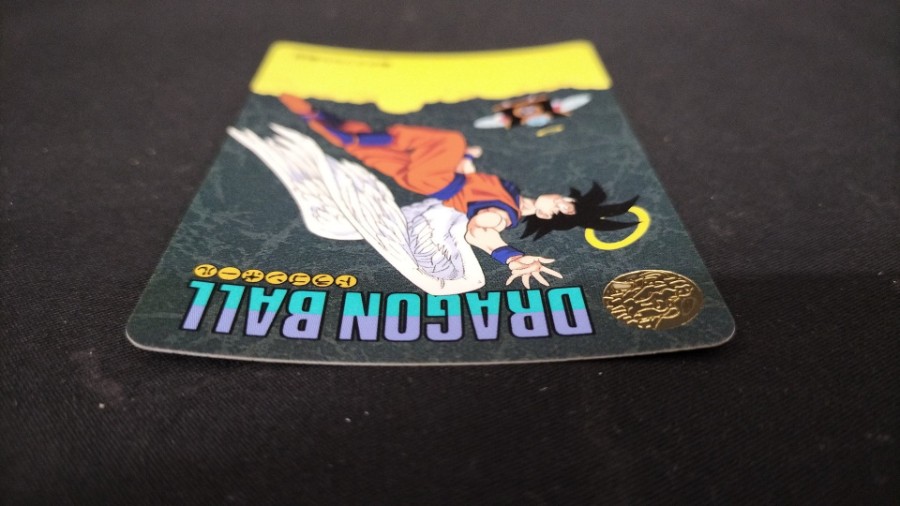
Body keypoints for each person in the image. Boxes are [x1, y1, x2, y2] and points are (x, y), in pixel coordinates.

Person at [279, 94, 637, 289]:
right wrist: (467, 161)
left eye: (564, 208)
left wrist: (510, 257)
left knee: (450, 140)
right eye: (568, 200)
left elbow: (480, 230)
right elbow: (473, 181)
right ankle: (315, 117)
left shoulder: (504, 214)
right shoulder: (510, 193)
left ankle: (354, 136)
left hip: (434, 180)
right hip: (433, 173)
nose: (562, 200)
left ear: (546, 215)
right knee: (366, 148)